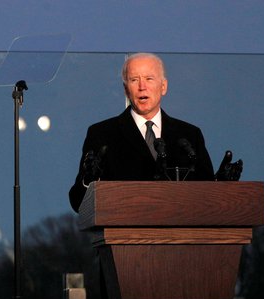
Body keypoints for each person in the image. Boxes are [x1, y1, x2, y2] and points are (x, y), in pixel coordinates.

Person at [69, 52, 220, 213]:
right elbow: (78, 202)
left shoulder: (189, 135)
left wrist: (222, 182)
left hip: (181, 235)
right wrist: (89, 181)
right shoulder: (102, 134)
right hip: (123, 234)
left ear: (163, 86)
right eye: (134, 80)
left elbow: (207, 194)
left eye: (149, 79)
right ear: (126, 89)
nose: (142, 86)